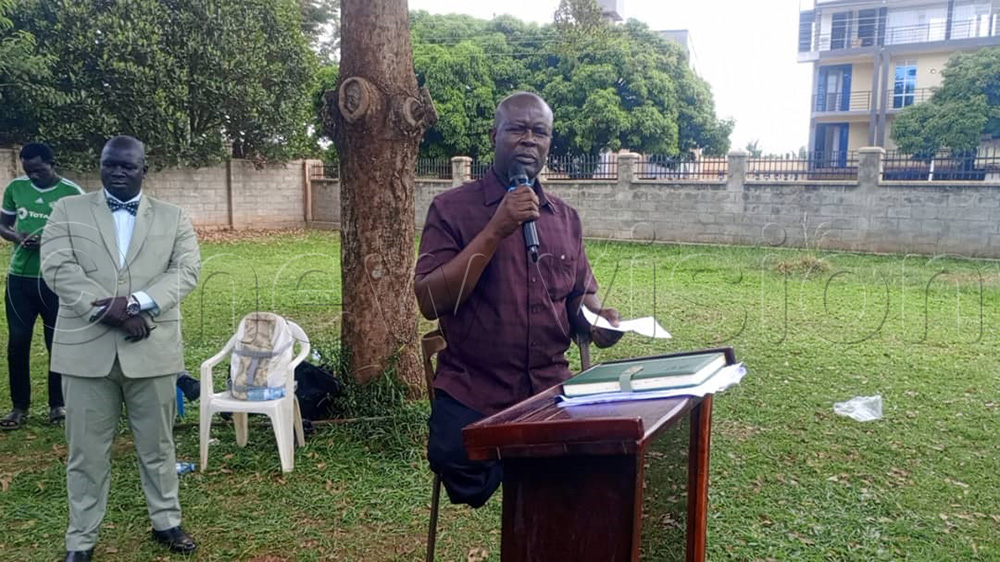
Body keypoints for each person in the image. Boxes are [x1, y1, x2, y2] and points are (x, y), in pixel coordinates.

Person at [414, 92, 623, 508]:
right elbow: (429, 302)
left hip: (551, 392)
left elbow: (581, 298)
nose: (529, 139)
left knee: (601, 469)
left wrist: (599, 321)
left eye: (540, 132)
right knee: (461, 461)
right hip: (474, 391)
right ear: (494, 136)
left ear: (548, 144)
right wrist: (497, 228)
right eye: (518, 129)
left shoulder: (565, 219)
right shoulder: (451, 210)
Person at [41, 136, 201, 561]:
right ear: (101, 164)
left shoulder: (174, 217)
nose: (117, 171)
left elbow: (186, 271)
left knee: (159, 446)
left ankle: (167, 520)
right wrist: (107, 311)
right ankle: (81, 539)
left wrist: (134, 304)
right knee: (85, 454)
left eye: (128, 166)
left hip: (152, 348)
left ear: (144, 169)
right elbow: (57, 265)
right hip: (85, 353)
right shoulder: (67, 211)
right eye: (109, 163)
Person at [0, 143, 84, 429]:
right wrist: (15, 236)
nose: (32, 176)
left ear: (52, 163)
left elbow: (83, 237)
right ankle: (19, 407)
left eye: (38, 170)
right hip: (20, 279)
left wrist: (50, 241)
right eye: (28, 171)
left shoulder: (72, 194)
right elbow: (3, 224)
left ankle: (57, 405)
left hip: (56, 280)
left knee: (56, 344)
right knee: (18, 343)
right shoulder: (15, 189)